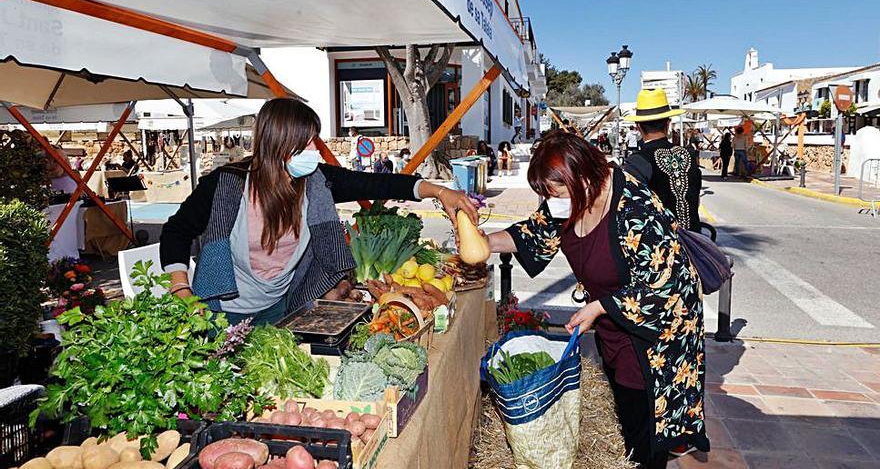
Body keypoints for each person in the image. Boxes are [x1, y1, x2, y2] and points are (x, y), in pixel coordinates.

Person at [479, 131, 708, 468]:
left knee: (644, 429)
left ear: (583, 175)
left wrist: (598, 307)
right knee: (629, 413)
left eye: (556, 193)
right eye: (547, 195)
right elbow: (534, 232)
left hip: (655, 338)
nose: (552, 202)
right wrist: (484, 241)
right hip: (614, 324)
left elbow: (665, 286)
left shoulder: (634, 207)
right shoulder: (570, 199)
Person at [160, 98, 477, 325]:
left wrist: (438, 190)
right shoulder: (226, 186)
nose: (314, 151)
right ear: (278, 144)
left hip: (280, 309)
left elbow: (376, 184)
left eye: (314, 141)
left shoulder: (315, 184)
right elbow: (177, 231)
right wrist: (180, 287)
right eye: (306, 143)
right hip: (219, 312)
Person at [623, 89, 702, 231]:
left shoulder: (636, 162)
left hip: (659, 249)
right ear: (668, 124)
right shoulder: (689, 155)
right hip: (695, 243)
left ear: (638, 126)